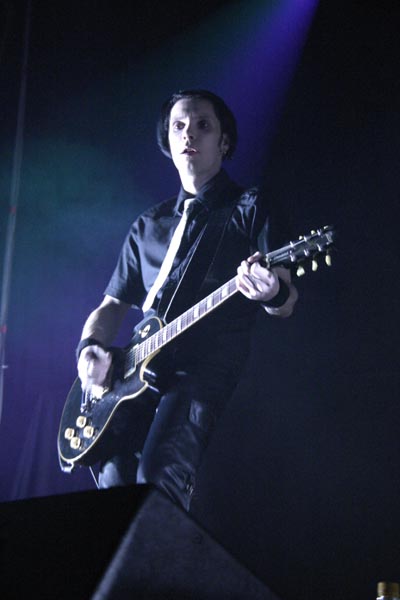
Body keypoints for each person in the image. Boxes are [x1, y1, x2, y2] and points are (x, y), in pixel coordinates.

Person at [76, 89, 298, 511]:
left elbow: (285, 299)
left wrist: (271, 292)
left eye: (203, 125)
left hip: (204, 366)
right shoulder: (148, 226)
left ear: (224, 142)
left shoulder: (251, 206)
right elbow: (110, 308)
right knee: (115, 476)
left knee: (157, 478)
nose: (188, 134)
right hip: (136, 371)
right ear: (167, 141)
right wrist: (89, 350)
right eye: (178, 126)